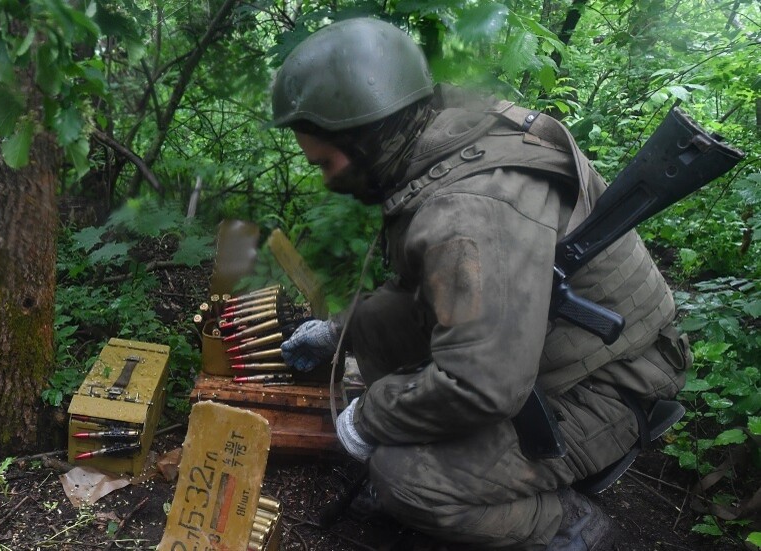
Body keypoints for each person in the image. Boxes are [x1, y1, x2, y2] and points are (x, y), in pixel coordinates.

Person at [271, 17, 690, 551]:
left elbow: (481, 384)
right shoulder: (438, 133)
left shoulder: (468, 214)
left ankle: (568, 524)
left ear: (367, 135)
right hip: (547, 342)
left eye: (327, 162)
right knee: (371, 322)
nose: (327, 179)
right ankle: (440, 447)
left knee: (406, 479)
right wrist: (338, 333)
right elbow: (432, 290)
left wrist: (373, 419)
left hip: (611, 381)